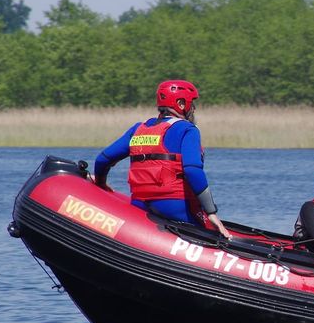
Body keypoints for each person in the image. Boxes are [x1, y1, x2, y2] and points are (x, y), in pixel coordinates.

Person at [93, 79, 230, 238]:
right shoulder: (187, 130)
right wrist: (211, 212)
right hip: (176, 207)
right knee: (213, 233)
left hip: (140, 206)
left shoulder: (139, 128)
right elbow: (192, 170)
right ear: (181, 103)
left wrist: (100, 185)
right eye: (191, 103)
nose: (193, 109)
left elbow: (103, 160)